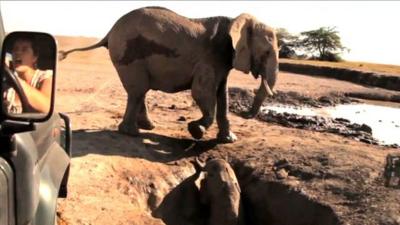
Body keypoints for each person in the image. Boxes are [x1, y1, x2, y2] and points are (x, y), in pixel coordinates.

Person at [4, 35, 53, 113]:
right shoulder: (7, 85)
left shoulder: (46, 76)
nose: (18, 52)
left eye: (24, 49)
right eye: (15, 49)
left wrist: (15, 79)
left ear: (35, 57)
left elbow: (46, 107)